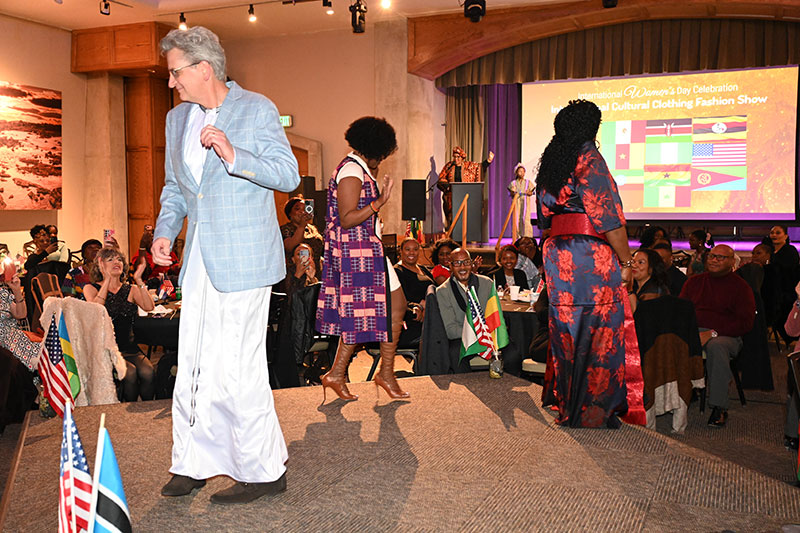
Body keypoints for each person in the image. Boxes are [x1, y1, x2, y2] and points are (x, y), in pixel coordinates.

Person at [151, 26, 299, 504]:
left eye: (175, 73)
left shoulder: (256, 108)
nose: (171, 82)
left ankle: (263, 469)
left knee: (238, 367)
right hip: (199, 259)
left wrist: (235, 154)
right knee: (194, 363)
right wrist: (163, 233)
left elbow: (288, 175)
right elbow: (175, 188)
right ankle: (191, 462)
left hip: (245, 259)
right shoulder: (177, 119)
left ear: (203, 69)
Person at [536, 99, 639, 429]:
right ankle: (590, 409)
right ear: (591, 128)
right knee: (597, 328)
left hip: (557, 253)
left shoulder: (553, 160)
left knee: (567, 328)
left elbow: (544, 217)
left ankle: (568, 402)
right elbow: (608, 217)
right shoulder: (589, 158)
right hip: (588, 253)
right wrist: (626, 261)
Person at [316, 116, 409, 401]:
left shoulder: (358, 168)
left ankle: (375, 373)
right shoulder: (351, 171)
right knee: (365, 315)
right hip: (355, 254)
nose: (381, 160)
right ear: (373, 149)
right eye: (381, 154)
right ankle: (366, 374)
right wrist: (378, 203)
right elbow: (346, 218)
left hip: (367, 251)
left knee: (394, 307)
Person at [679, 245, 755, 427]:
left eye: (721, 257)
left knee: (717, 346)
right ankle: (670, 396)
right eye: (712, 256)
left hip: (726, 335)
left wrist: (712, 333)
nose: (714, 260)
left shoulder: (741, 287)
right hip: (695, 331)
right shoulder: (694, 282)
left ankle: (719, 406)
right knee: (668, 340)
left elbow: (745, 323)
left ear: (732, 262)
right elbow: (680, 311)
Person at [84, 247, 156, 402]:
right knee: (130, 374)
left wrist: (138, 279)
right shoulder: (90, 288)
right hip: (105, 349)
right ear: (100, 265)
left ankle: (146, 411)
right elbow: (95, 310)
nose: (116, 262)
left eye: (119, 259)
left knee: (148, 372)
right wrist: (107, 280)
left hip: (129, 347)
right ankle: (125, 411)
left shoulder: (131, 289)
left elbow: (149, 307)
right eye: (110, 259)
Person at [437, 146, 494, 229]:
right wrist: (447, 186)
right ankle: (453, 233)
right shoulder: (449, 166)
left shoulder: (468, 166)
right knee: (453, 219)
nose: (456, 159)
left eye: (458, 157)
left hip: (465, 197)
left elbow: (480, 167)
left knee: (464, 219)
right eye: (454, 157)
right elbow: (441, 178)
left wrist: (488, 161)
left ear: (462, 158)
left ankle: (464, 234)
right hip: (452, 198)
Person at [393, 237, 434, 347]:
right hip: (413, 319)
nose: (412, 253)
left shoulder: (423, 269)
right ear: (400, 251)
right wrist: (422, 306)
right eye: (407, 249)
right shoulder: (397, 271)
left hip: (432, 312)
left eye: (415, 249)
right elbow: (402, 296)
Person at [765, 225, 800, 344]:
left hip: (787, 292)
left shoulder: (790, 251)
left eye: (778, 233)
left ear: (785, 236)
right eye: (772, 232)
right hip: (774, 290)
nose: (774, 235)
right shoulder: (770, 251)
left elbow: (787, 271)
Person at [0, 270, 39, 371]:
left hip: (14, 336)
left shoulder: (2, 293)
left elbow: (21, 314)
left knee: (42, 354)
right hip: (5, 343)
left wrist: (17, 291)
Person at [281, 196, 323, 273]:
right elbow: (289, 247)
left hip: (315, 271)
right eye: (297, 209)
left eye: (305, 209)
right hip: (296, 273)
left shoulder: (312, 228)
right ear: (290, 213)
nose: (302, 212)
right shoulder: (286, 229)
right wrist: (302, 226)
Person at [507, 163, 535, 238]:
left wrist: (529, 193)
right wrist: (513, 192)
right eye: (520, 171)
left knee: (525, 219)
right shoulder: (513, 183)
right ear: (516, 172)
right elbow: (510, 192)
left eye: (523, 171)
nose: (522, 173)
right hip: (517, 202)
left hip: (525, 203)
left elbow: (532, 192)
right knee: (516, 219)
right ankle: (517, 237)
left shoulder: (528, 182)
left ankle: (527, 237)